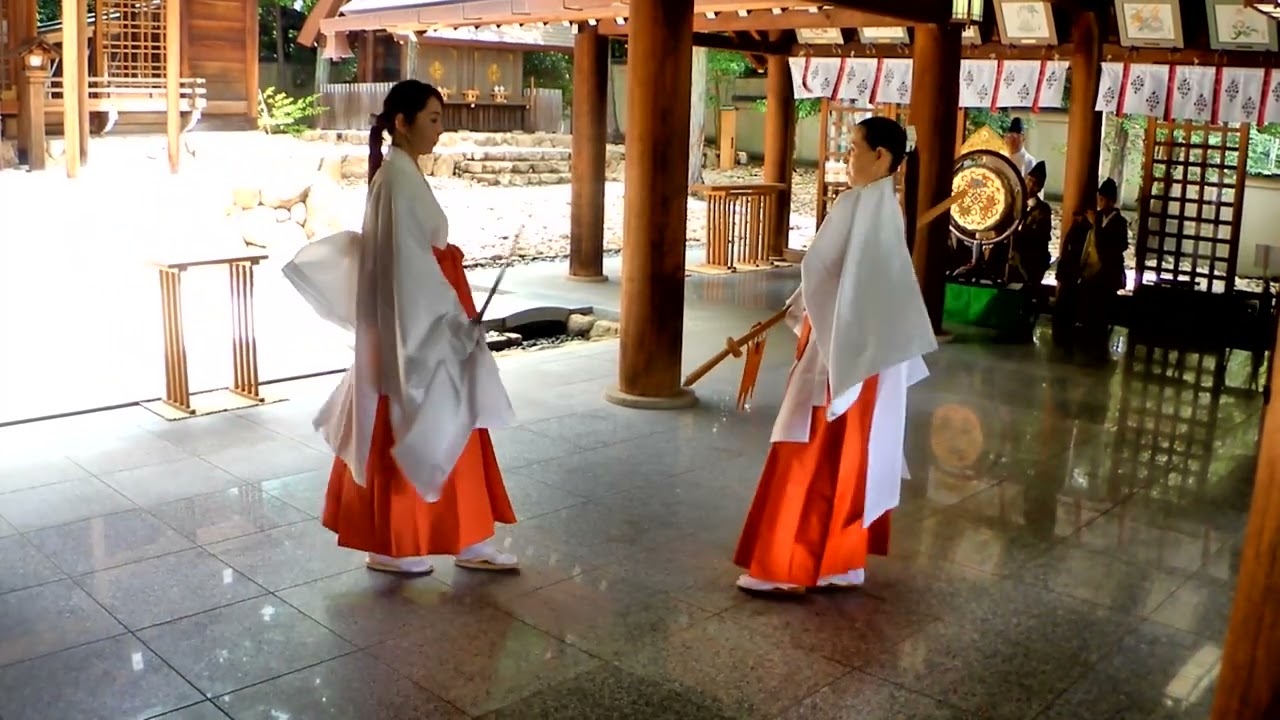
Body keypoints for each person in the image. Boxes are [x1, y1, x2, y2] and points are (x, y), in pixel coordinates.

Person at [282, 80, 519, 575]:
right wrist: (449, 316)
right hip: (417, 320)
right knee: (422, 414)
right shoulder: (395, 179)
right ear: (402, 123)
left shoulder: (401, 175)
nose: (439, 128)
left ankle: (466, 537)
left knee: (450, 416)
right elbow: (404, 265)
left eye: (440, 117)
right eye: (431, 118)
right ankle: (391, 544)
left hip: (427, 309)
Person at [733, 117, 938, 594]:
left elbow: (821, 271)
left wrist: (807, 306)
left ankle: (784, 565)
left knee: (806, 452)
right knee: (853, 456)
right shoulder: (887, 207)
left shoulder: (857, 204)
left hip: (837, 351)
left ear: (882, 156)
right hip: (868, 353)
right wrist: (809, 300)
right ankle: (842, 561)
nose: (847, 158)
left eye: (853, 149)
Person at [1054, 177, 1129, 360]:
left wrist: (1096, 225)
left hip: (1106, 274)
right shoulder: (1094, 218)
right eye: (1100, 199)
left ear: (1112, 201)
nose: (1101, 203)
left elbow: (1113, 247)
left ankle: (1097, 348)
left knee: (1100, 314)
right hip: (1088, 272)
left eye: (1104, 200)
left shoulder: (1119, 222)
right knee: (1083, 308)